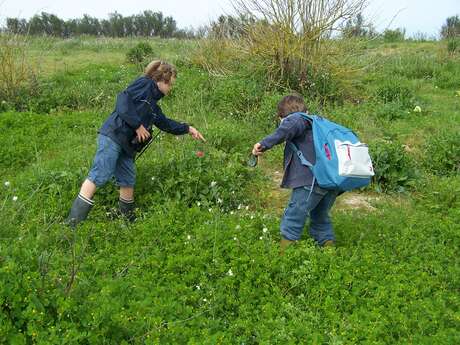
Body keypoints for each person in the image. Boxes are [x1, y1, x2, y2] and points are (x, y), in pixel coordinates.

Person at [66, 60, 205, 227]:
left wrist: (188, 128)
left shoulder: (154, 106)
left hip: (126, 146)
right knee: (100, 173)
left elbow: (166, 124)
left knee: (127, 178)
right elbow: (122, 101)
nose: (170, 89)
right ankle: (72, 224)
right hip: (113, 135)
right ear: (162, 80)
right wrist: (137, 125)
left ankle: (127, 220)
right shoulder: (144, 84)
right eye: (170, 84)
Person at [251, 94, 337, 253]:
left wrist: (263, 144)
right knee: (320, 218)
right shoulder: (317, 123)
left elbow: (287, 128)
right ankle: (329, 256)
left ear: (281, 117)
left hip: (310, 181)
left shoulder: (296, 119)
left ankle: (285, 258)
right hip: (330, 181)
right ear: (307, 109)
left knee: (292, 217)